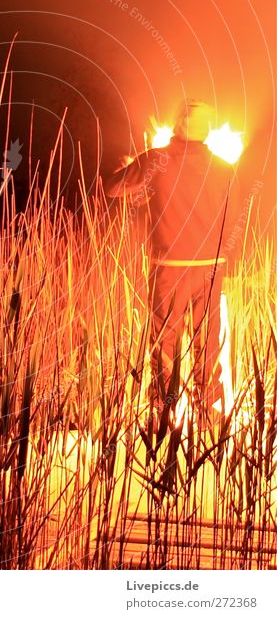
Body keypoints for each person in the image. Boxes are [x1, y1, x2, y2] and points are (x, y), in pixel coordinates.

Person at [104, 100, 240, 426]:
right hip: (211, 267)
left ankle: (162, 412)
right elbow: (233, 218)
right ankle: (208, 410)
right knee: (207, 340)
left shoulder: (157, 160)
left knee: (165, 339)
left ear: (179, 124)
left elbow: (113, 188)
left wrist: (131, 165)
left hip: (170, 265)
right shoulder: (224, 167)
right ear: (207, 130)